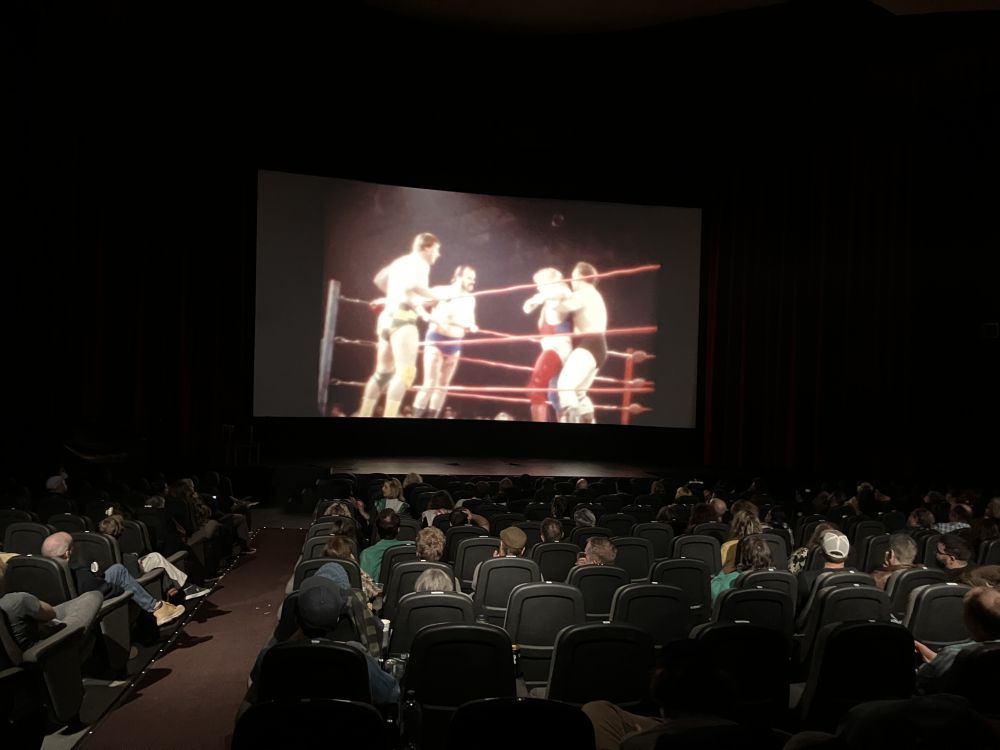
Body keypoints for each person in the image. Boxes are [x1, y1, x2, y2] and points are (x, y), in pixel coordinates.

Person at [357, 232, 445, 418]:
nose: (438, 255)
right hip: (403, 317)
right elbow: (411, 286)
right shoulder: (420, 263)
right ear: (426, 248)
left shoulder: (400, 262)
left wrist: (392, 296)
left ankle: (364, 413)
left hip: (386, 316)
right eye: (436, 250)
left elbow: (379, 279)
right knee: (406, 372)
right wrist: (437, 296)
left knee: (382, 373)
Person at [41, 531, 185, 627]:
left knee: (117, 569)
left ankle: (157, 607)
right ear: (67, 554)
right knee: (123, 577)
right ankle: (157, 608)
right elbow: (104, 591)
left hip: (61, 609)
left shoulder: (42, 574)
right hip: (89, 608)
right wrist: (123, 589)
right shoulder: (81, 575)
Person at [411, 265, 478, 419]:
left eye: (474, 279)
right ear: (458, 277)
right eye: (469, 277)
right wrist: (426, 315)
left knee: (443, 386)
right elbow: (418, 303)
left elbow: (470, 321)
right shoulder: (441, 291)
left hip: (455, 344)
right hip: (436, 339)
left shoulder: (471, 298)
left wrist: (471, 326)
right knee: (430, 383)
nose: (472, 281)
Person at [98, 514, 210, 600]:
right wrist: (134, 559)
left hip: (122, 569)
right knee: (156, 558)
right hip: (126, 574)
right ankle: (184, 587)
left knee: (155, 558)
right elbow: (129, 568)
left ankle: (175, 587)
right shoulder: (113, 544)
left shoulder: (99, 543)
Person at [914, 585, 1000, 695]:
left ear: (972, 623)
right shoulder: (955, 654)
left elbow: (921, 684)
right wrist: (935, 658)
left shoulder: (954, 653)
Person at [555, 262, 608, 423]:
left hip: (589, 344)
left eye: (573, 277)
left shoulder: (586, 292)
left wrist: (555, 295)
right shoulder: (593, 294)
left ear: (580, 277)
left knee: (565, 385)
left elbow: (563, 307)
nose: (571, 281)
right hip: (596, 347)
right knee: (579, 393)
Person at [522, 267, 573, 422]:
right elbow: (526, 309)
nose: (537, 287)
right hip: (554, 350)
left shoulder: (561, 295)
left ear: (552, 282)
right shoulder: (548, 302)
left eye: (540, 283)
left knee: (535, 388)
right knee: (556, 396)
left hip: (558, 350)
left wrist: (538, 298)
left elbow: (563, 291)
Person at [358, 510, 411, 582]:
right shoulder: (412, 548)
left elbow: (365, 585)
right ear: (398, 530)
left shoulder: (367, 554)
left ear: (378, 531)